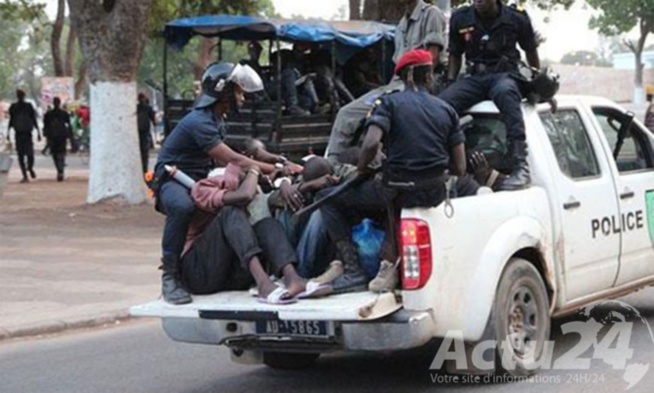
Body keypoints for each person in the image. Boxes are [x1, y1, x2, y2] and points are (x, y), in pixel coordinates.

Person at [153, 62, 303, 305]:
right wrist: (277, 168)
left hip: (199, 177)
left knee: (261, 221)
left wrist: (273, 162)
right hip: (173, 177)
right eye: (238, 92)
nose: (242, 98)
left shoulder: (216, 121)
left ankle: (291, 277)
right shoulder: (198, 121)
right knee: (183, 207)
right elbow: (234, 159)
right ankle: (170, 276)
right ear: (223, 93)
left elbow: (239, 156)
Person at [319, 50, 466, 293]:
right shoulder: (446, 109)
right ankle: (389, 264)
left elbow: (370, 143)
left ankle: (353, 270)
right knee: (393, 200)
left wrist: (362, 169)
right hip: (434, 193)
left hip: (397, 190)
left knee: (326, 199)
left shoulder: (389, 103)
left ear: (405, 77)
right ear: (427, 76)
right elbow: (460, 167)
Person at [325, 0, 446, 165]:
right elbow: (398, 65)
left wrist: (416, 89)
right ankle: (330, 167)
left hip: (416, 83)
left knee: (378, 130)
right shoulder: (402, 24)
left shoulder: (431, 14)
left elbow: (433, 58)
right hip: (395, 85)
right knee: (346, 114)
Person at [438, 0, 541, 191]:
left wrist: (537, 81)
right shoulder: (461, 18)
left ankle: (520, 166)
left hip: (504, 75)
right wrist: (450, 82)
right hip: (475, 77)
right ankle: (443, 160)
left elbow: (531, 50)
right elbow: (455, 53)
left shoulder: (516, 17)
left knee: (506, 94)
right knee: (442, 105)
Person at [180, 163, 307, 303]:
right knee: (229, 212)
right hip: (199, 273)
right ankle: (263, 283)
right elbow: (245, 195)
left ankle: (292, 278)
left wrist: (283, 181)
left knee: (266, 225)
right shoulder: (205, 187)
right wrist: (254, 170)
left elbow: (273, 195)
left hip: (232, 273)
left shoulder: (252, 187)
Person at [6, 89, 41, 183]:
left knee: (21, 155)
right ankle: (29, 168)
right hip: (27, 133)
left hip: (19, 133)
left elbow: (11, 120)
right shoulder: (29, 106)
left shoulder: (13, 107)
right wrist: (38, 132)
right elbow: (34, 119)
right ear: (24, 96)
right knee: (30, 153)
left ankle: (25, 175)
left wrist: (8, 133)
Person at [43, 97, 73, 181]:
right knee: (62, 153)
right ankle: (61, 170)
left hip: (52, 136)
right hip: (62, 135)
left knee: (55, 154)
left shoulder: (48, 114)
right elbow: (69, 125)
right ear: (59, 103)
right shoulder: (64, 113)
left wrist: (46, 135)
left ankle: (59, 169)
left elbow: (46, 126)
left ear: (53, 103)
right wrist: (71, 136)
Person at [137, 92, 156, 173]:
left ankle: (143, 169)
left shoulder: (137, 108)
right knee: (144, 152)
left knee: (142, 152)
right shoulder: (147, 108)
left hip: (141, 132)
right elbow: (153, 119)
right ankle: (144, 170)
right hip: (144, 132)